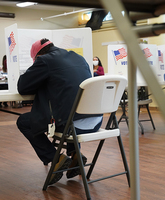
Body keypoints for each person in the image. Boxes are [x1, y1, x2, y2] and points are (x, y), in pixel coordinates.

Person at [16, 38, 103, 185]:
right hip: (95, 121)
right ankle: (75, 154)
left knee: (24, 122)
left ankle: (55, 158)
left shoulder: (44, 61)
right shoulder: (79, 57)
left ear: (37, 56)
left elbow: (23, 87)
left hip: (72, 125)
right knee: (69, 108)